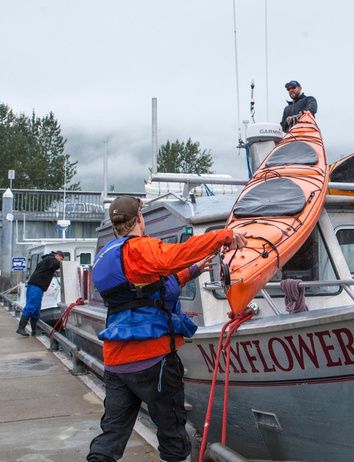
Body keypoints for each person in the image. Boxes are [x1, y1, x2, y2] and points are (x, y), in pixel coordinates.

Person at [87, 196, 247, 462]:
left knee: (111, 434)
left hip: (116, 363)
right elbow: (175, 256)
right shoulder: (138, 249)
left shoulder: (106, 256)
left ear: (115, 227)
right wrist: (223, 236)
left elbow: (142, 290)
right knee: (172, 434)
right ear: (140, 218)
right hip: (153, 361)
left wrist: (189, 273)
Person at [16, 250, 64, 336]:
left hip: (36, 285)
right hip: (36, 286)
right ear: (57, 256)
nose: (60, 261)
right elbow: (55, 264)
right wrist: (62, 264)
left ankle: (34, 330)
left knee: (36, 310)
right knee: (31, 306)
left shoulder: (46, 260)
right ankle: (21, 328)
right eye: (60, 259)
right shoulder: (51, 259)